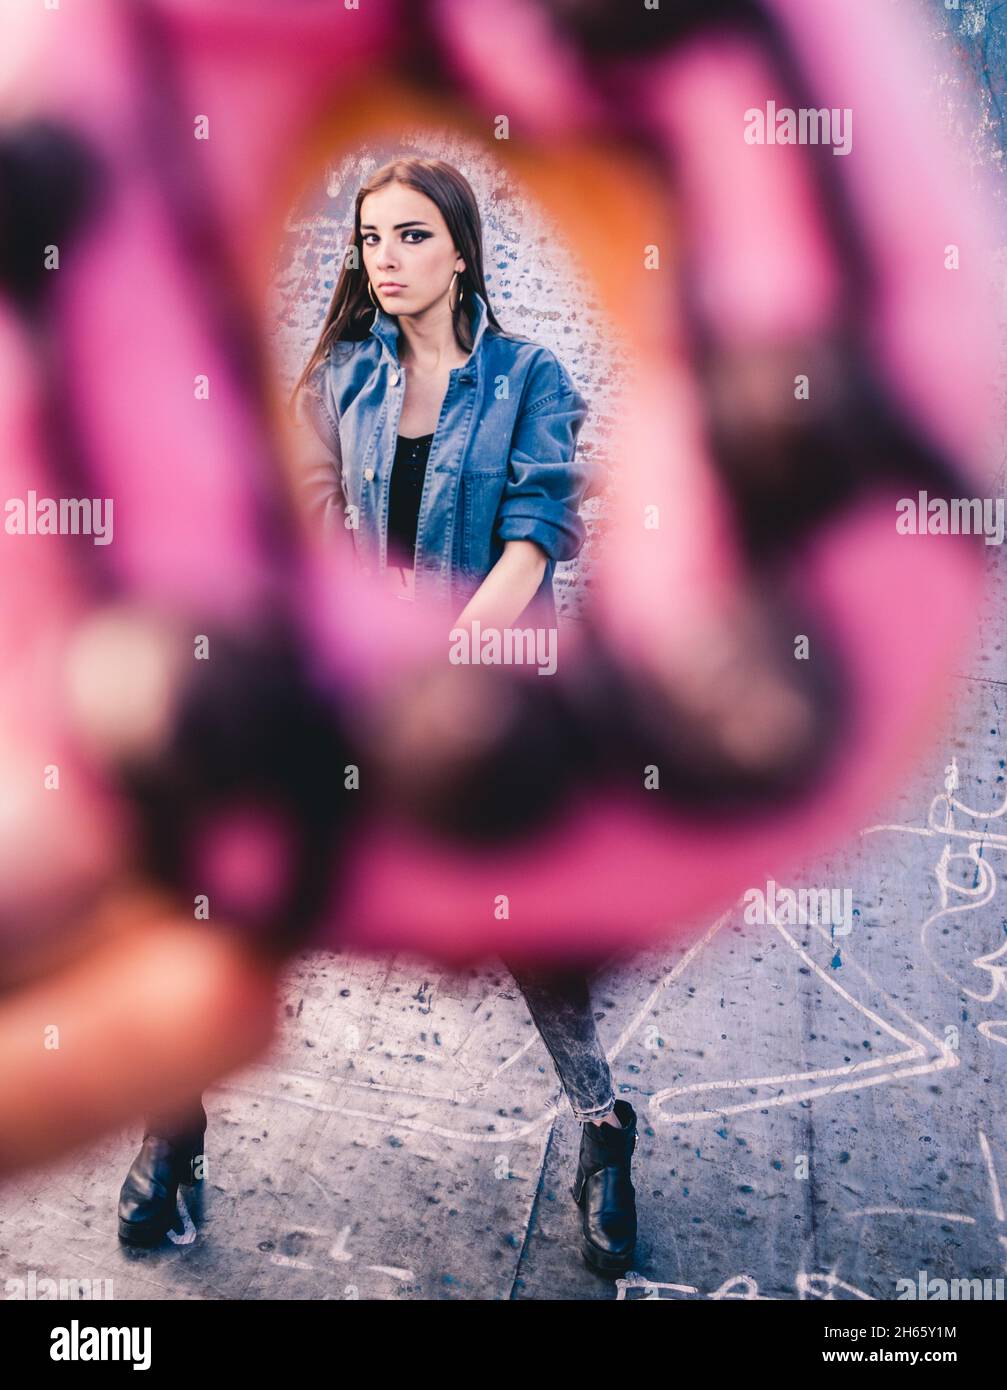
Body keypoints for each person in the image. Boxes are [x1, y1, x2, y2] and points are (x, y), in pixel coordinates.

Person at [117, 156, 638, 1277]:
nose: (384, 262)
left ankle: (603, 1129)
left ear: (459, 250)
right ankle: (174, 1125)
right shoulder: (344, 380)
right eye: (369, 241)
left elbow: (534, 536)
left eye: (409, 238)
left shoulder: (529, 380)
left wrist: (440, 653)